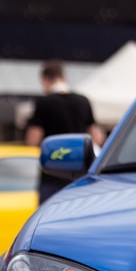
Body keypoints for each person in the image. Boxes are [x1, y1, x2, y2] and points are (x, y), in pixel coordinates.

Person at [24, 59, 107, 204]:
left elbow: (32, 140)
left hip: (52, 175)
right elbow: (97, 138)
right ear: (64, 78)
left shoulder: (44, 103)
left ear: (44, 80)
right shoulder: (83, 101)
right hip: (80, 175)